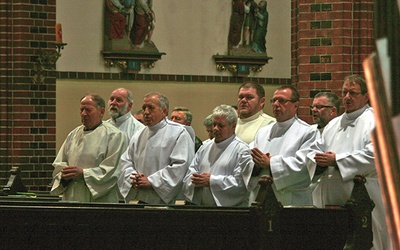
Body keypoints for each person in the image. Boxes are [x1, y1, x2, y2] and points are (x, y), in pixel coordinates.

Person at [306, 75, 391, 249]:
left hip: (364, 196)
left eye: (353, 93)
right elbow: (315, 148)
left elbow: (376, 155)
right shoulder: (334, 124)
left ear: (366, 96)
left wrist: (337, 160)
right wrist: (319, 161)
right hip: (331, 196)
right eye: (344, 92)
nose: (347, 97)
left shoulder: (375, 121)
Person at [118, 92, 195, 204]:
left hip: (165, 200)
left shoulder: (179, 133)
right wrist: (133, 178)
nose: (146, 112)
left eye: (151, 108)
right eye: (144, 108)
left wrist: (152, 181)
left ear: (164, 111)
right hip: (139, 196)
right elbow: (126, 161)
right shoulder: (139, 135)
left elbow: (181, 165)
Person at [248, 85, 319, 206]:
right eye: (274, 100)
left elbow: (305, 166)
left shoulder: (308, 132)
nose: (276, 104)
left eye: (282, 101)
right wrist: (256, 165)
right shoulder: (263, 132)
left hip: (291, 200)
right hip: (261, 197)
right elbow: (248, 159)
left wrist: (270, 163)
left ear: (295, 106)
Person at [50, 94, 127, 203]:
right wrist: (64, 175)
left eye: (88, 110)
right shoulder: (73, 134)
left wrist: (83, 174)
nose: (83, 114)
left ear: (101, 112)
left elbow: (112, 171)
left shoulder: (114, 136)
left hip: (99, 200)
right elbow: (59, 163)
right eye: (81, 110)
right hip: (73, 195)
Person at [182, 105, 253, 207]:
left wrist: (212, 181)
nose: (215, 128)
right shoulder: (205, 146)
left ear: (233, 126)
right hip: (202, 207)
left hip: (229, 212)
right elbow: (191, 170)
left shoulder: (242, 150)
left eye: (221, 125)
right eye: (214, 124)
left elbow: (241, 184)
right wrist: (195, 180)